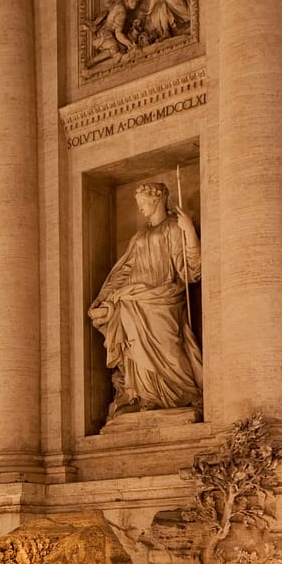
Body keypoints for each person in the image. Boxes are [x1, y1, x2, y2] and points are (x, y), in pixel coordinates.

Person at [88, 180, 203, 420]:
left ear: (158, 198)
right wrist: (104, 298)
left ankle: (182, 394)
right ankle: (146, 396)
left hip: (164, 298)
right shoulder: (139, 235)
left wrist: (190, 231)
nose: (139, 207)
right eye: (137, 203)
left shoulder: (173, 227)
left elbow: (190, 270)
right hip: (132, 300)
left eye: (143, 202)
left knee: (170, 348)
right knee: (136, 350)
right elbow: (124, 270)